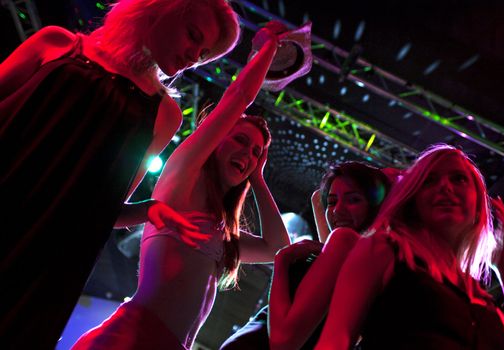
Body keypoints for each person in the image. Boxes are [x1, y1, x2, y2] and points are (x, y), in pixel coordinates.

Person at [0, 0, 241, 348]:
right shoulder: (57, 44)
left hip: (47, 260)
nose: (193, 57)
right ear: (159, 9)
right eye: (193, 35)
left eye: (203, 53)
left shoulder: (163, 115)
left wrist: (147, 210)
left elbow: (108, 209)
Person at [71, 20, 293, 350]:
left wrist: (258, 178)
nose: (248, 154)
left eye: (256, 152)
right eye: (241, 140)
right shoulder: (182, 176)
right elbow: (238, 97)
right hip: (131, 338)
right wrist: (269, 48)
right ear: (216, 139)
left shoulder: (222, 234)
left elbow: (278, 249)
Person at [315, 144, 504, 349]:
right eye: (430, 180)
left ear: (479, 204)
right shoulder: (384, 249)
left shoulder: (479, 296)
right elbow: (335, 341)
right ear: (414, 200)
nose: (445, 186)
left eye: (458, 178)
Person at [219, 161, 393, 350]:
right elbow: (318, 198)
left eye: (353, 200)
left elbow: (281, 341)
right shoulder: (365, 258)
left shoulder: (345, 243)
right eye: (333, 201)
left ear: (376, 206)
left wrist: (282, 262)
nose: (337, 210)